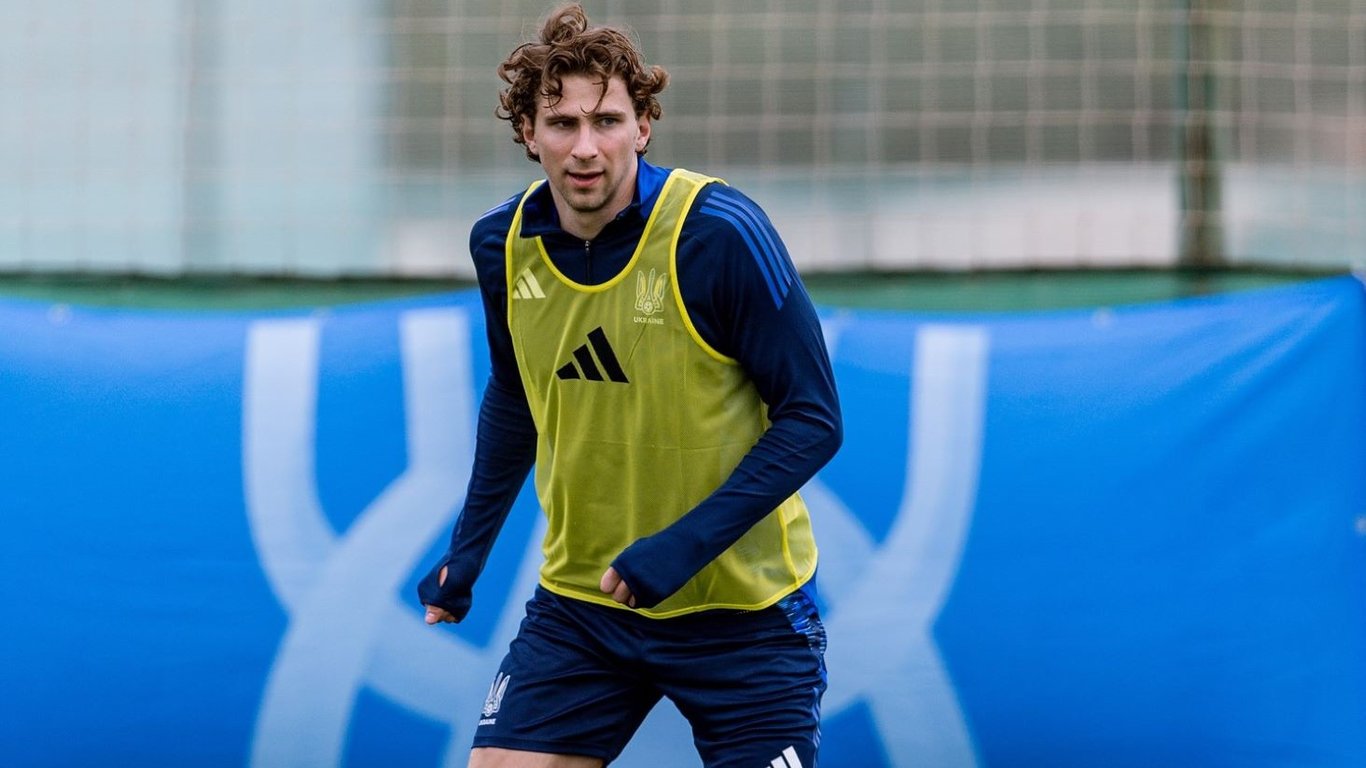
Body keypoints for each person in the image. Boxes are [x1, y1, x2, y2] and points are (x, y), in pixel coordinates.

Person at [418, 4, 842, 766]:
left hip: (745, 613)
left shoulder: (719, 234)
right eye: (562, 123)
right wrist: (468, 550)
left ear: (643, 126)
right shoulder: (501, 245)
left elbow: (814, 418)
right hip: (586, 607)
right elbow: (516, 395)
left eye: (607, 121)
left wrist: (681, 549)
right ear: (528, 133)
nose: (586, 147)